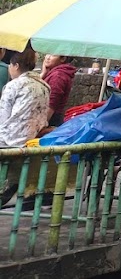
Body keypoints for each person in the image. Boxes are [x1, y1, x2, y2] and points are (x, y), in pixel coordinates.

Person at [0, 48, 50, 206]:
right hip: (32, 139)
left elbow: (3, 118)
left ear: (15, 65)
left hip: (9, 140)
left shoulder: (13, 86)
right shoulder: (45, 86)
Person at [40, 54, 76, 128]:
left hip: (50, 119)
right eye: (47, 53)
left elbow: (51, 104)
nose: (47, 57)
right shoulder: (53, 73)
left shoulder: (58, 76)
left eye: (53, 55)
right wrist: (43, 74)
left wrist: (40, 127)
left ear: (63, 59)